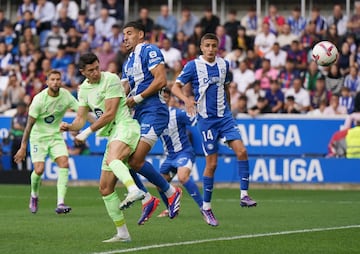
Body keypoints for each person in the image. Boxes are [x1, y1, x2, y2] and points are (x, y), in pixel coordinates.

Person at [172, 33, 257, 227]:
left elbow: (226, 87)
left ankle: (244, 195)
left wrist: (228, 108)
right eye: (207, 46)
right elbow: (175, 87)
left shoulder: (224, 64)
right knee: (212, 165)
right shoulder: (193, 66)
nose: (211, 49)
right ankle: (207, 208)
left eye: (214, 46)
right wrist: (186, 100)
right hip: (207, 121)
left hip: (225, 117)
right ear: (201, 47)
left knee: (242, 151)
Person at [60, 53, 145, 242]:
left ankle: (134, 190)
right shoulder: (83, 90)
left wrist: (86, 133)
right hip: (112, 135)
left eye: (97, 67)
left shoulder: (111, 79)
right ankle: (123, 234)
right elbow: (80, 119)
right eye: (91, 70)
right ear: (82, 72)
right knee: (105, 188)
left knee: (113, 159)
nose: (96, 72)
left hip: (125, 126)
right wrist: (70, 127)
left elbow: (110, 114)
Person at [121, 21, 182, 225]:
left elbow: (161, 80)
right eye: (123, 34)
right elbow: (122, 91)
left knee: (136, 160)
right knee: (123, 159)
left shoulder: (149, 50)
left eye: (129, 33)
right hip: (138, 113)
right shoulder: (127, 62)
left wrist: (135, 99)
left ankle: (171, 192)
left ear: (140, 34)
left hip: (154, 109)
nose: (125, 37)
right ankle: (147, 199)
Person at [13, 70, 77, 215]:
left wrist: (90, 124)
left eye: (58, 79)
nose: (55, 82)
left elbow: (82, 111)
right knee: (39, 170)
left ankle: (60, 202)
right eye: (52, 79)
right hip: (38, 138)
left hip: (55, 136)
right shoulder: (39, 100)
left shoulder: (66, 95)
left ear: (61, 81)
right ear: (47, 82)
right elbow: (28, 126)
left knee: (64, 163)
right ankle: (34, 195)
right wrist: (23, 147)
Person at [156, 88, 203, 217]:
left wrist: (197, 108)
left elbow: (195, 120)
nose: (164, 100)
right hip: (170, 157)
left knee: (182, 177)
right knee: (159, 184)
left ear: (170, 99)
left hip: (184, 152)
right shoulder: (154, 118)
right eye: (162, 97)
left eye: (167, 97)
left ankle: (203, 208)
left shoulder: (177, 114)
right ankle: (171, 209)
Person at [10, 102, 28, 170]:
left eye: (21, 108)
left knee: (23, 159)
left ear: (24, 109)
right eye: (18, 108)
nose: (19, 109)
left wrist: (20, 128)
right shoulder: (14, 116)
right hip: (15, 140)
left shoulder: (27, 117)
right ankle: (14, 175)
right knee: (14, 157)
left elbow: (28, 130)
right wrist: (12, 132)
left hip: (23, 140)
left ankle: (24, 175)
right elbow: (11, 127)